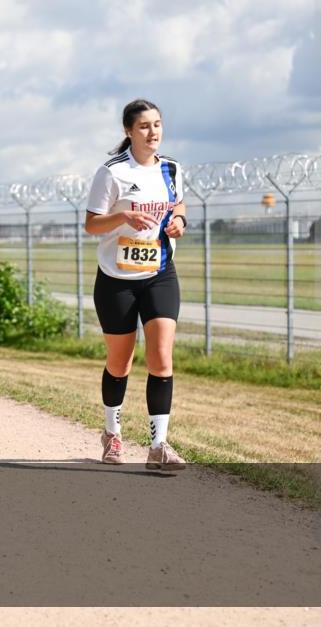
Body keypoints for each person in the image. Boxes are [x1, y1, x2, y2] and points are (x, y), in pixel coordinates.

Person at [85, 98, 188, 471]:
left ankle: (158, 445)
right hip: (117, 280)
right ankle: (112, 433)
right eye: (144, 126)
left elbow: (178, 205)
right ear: (129, 131)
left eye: (157, 124)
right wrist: (121, 215)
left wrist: (179, 222)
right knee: (120, 362)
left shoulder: (172, 168)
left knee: (161, 358)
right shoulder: (111, 173)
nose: (153, 132)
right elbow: (91, 224)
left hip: (160, 273)